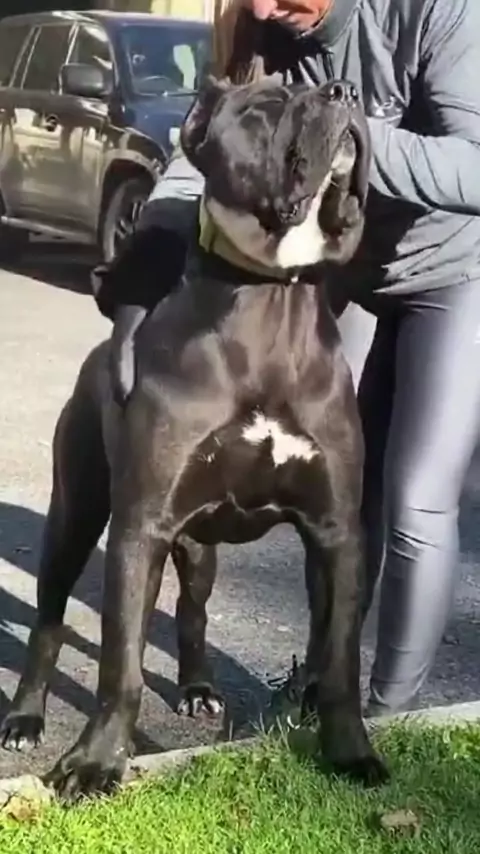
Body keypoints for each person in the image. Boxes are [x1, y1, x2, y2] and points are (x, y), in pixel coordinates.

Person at [92, 0, 480, 718]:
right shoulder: (264, 33)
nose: (269, 8)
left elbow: (476, 166)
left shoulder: (436, 11)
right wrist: (137, 290)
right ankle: (323, 688)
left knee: (418, 497)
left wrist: (345, 134)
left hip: (456, 272)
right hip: (342, 268)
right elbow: (204, 158)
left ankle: (394, 716)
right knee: (342, 501)